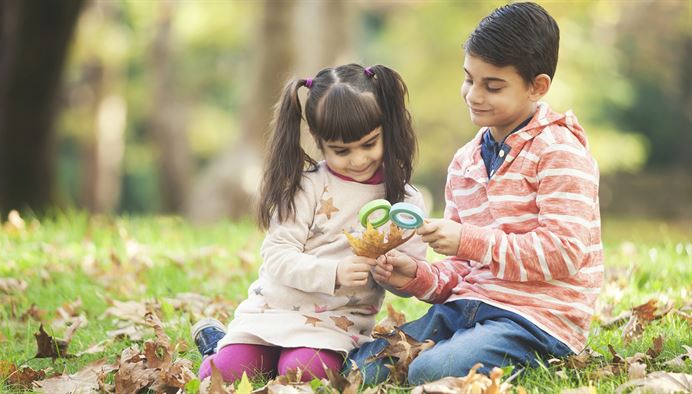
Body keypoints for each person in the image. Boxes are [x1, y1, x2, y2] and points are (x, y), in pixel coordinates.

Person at [347, 2, 603, 385]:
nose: (473, 94)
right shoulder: (466, 160)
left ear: (538, 86)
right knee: (360, 367)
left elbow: (563, 253)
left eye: (492, 86)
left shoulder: (559, 151)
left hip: (536, 318)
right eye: (469, 79)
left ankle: (509, 356)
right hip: (467, 306)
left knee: (430, 370)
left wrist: (469, 241)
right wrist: (416, 277)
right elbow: (464, 269)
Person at [191, 63, 427, 382]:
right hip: (273, 311)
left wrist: (396, 275)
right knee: (218, 373)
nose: (358, 159)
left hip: (336, 321)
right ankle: (216, 346)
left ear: (386, 127)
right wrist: (333, 273)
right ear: (318, 139)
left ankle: (273, 356)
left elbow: (411, 276)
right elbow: (277, 256)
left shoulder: (405, 201)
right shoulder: (307, 186)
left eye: (370, 144)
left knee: (302, 373)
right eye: (341, 151)